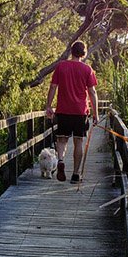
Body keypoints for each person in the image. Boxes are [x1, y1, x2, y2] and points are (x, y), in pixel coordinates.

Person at [44, 40, 99, 183]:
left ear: (71, 51)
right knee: (78, 142)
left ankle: (61, 160)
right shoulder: (87, 69)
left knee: (62, 140)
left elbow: (53, 87)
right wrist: (95, 114)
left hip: (63, 110)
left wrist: (48, 106)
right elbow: (92, 93)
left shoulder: (61, 66)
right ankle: (75, 174)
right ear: (83, 53)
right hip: (80, 112)